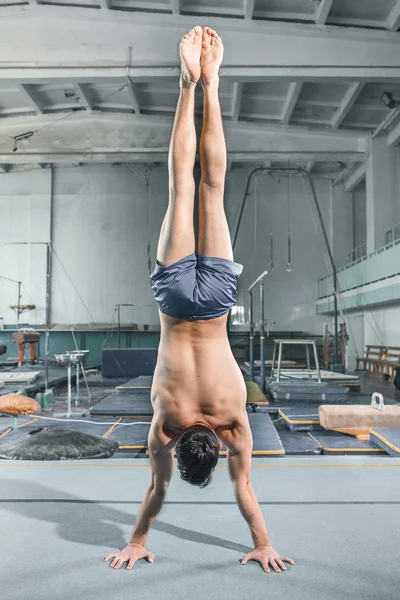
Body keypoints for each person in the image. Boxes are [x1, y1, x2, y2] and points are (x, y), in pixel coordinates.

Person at [105, 26, 295, 574]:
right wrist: (136, 539)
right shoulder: (165, 423)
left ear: (211, 442)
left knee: (211, 188)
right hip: (173, 300)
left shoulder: (234, 425)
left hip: (214, 304)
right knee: (181, 188)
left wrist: (263, 542)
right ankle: (190, 84)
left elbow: (244, 490)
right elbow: (156, 491)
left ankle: (211, 83)